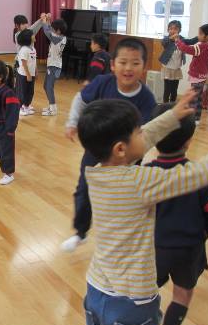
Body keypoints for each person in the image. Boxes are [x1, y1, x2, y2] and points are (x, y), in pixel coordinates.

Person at [76, 90, 208, 325]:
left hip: (96, 290)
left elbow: (137, 144)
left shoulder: (94, 168)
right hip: (131, 303)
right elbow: (200, 173)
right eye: (139, 131)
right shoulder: (140, 181)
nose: (145, 135)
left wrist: (172, 117)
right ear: (120, 149)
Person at [146, 103, 208, 325]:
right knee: (183, 293)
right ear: (189, 141)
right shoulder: (203, 176)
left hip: (152, 248)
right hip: (189, 249)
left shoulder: (142, 176)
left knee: (144, 292)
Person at [61, 38, 157, 252]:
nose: (128, 68)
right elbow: (80, 99)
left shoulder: (147, 99)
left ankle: (124, 236)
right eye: (123, 62)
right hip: (97, 149)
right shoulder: (102, 83)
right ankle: (80, 233)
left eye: (135, 63)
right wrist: (72, 122)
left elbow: (148, 132)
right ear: (113, 65)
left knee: (125, 197)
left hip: (128, 157)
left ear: (144, 67)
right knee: (84, 188)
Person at [176, 23, 208, 124]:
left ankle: (191, 120)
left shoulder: (203, 46)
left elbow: (187, 49)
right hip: (202, 76)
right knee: (198, 98)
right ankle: (196, 119)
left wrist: (178, 41)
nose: (198, 36)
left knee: (193, 98)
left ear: (207, 36)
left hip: (197, 76)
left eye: (200, 34)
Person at [41, 14, 67, 116]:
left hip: (54, 66)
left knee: (49, 87)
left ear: (58, 31)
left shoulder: (58, 38)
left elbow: (47, 32)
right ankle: (52, 106)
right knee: (46, 86)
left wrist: (44, 22)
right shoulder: (60, 37)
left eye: (54, 28)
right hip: (52, 65)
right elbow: (50, 31)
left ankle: (53, 109)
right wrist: (48, 20)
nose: (52, 29)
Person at [159, 20, 186, 103]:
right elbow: (163, 42)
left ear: (179, 30)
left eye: (175, 29)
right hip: (168, 69)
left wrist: (198, 39)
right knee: (167, 90)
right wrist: (171, 38)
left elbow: (190, 42)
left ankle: (172, 106)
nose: (173, 30)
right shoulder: (167, 40)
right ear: (168, 30)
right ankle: (165, 106)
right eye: (170, 29)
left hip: (176, 69)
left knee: (174, 90)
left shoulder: (182, 40)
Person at [16, 29, 37, 116]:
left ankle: (26, 106)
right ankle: (19, 108)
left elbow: (34, 61)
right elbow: (24, 63)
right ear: (28, 37)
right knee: (23, 92)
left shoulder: (33, 48)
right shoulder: (24, 49)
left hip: (31, 74)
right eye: (32, 35)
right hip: (24, 75)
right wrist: (28, 74)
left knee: (30, 91)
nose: (34, 36)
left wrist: (35, 71)